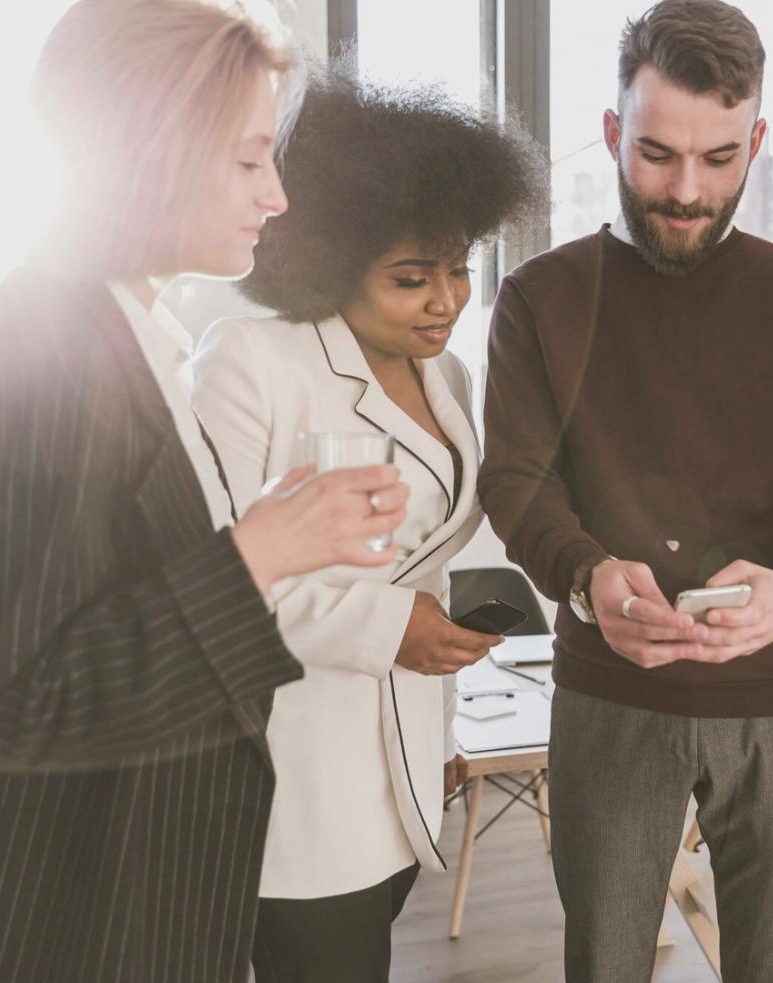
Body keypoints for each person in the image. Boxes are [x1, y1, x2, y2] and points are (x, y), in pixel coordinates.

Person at [0, 5, 409, 982]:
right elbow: (17, 707)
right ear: (150, 152)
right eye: (248, 161)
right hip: (25, 937)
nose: (276, 196)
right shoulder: (45, 360)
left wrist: (268, 535)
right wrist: (258, 553)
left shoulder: (119, 338)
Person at [477, 2, 773, 978]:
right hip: (609, 691)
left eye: (718, 157)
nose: (687, 190)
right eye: (657, 154)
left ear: (757, 141)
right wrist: (585, 575)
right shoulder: (539, 297)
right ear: (612, 131)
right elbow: (517, 479)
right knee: (606, 960)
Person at [191, 71, 545, 983]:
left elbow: (422, 562)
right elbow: (211, 583)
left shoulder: (448, 378)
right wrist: (393, 628)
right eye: (410, 278)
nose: (447, 301)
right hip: (295, 774)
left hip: (405, 763)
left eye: (459, 268)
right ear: (328, 261)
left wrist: (440, 710)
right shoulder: (253, 363)